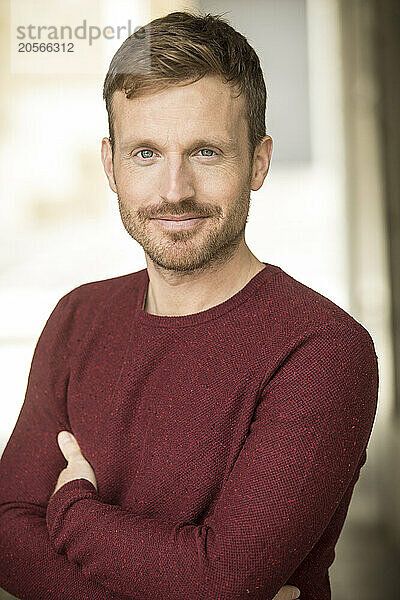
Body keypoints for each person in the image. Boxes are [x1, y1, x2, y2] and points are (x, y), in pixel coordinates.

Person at [0, 10, 378, 600]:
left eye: (206, 152)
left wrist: (73, 511)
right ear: (110, 164)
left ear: (258, 161)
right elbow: (7, 532)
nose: (174, 191)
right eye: (146, 153)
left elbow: (223, 578)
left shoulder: (323, 350)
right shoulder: (76, 318)